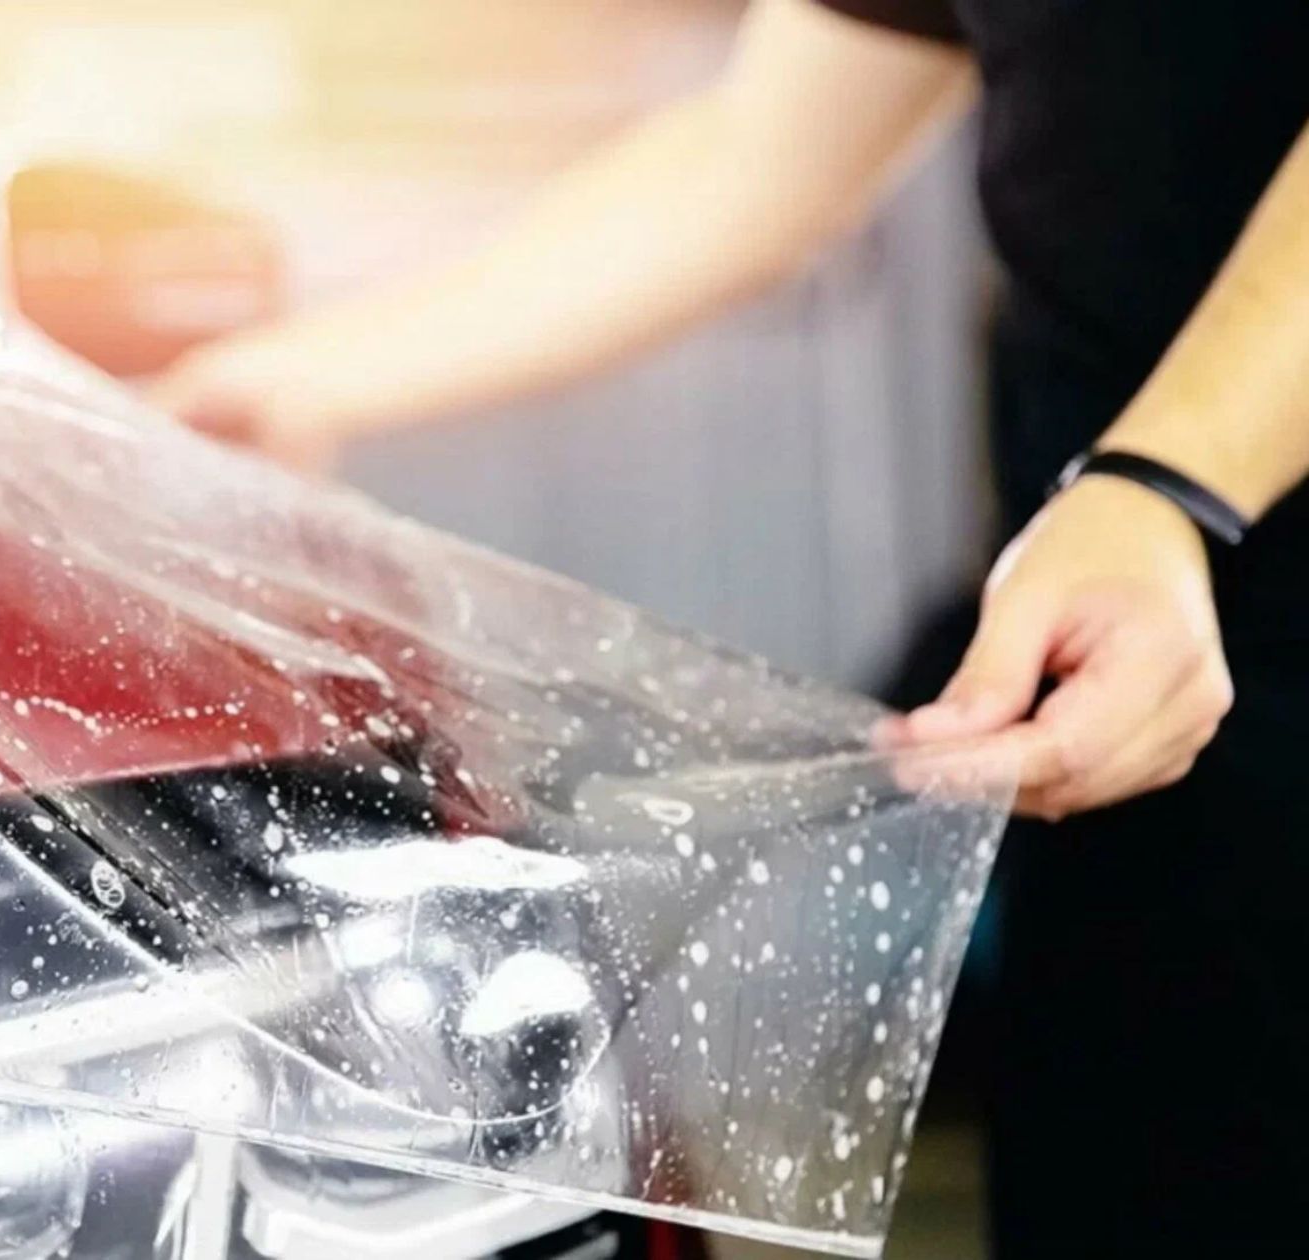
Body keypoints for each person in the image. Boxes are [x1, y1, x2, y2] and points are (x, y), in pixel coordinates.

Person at [150, 1, 1309, 1254]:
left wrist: (1173, 478)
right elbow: (760, 152)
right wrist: (296, 380)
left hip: (1176, 538)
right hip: (1106, 663)